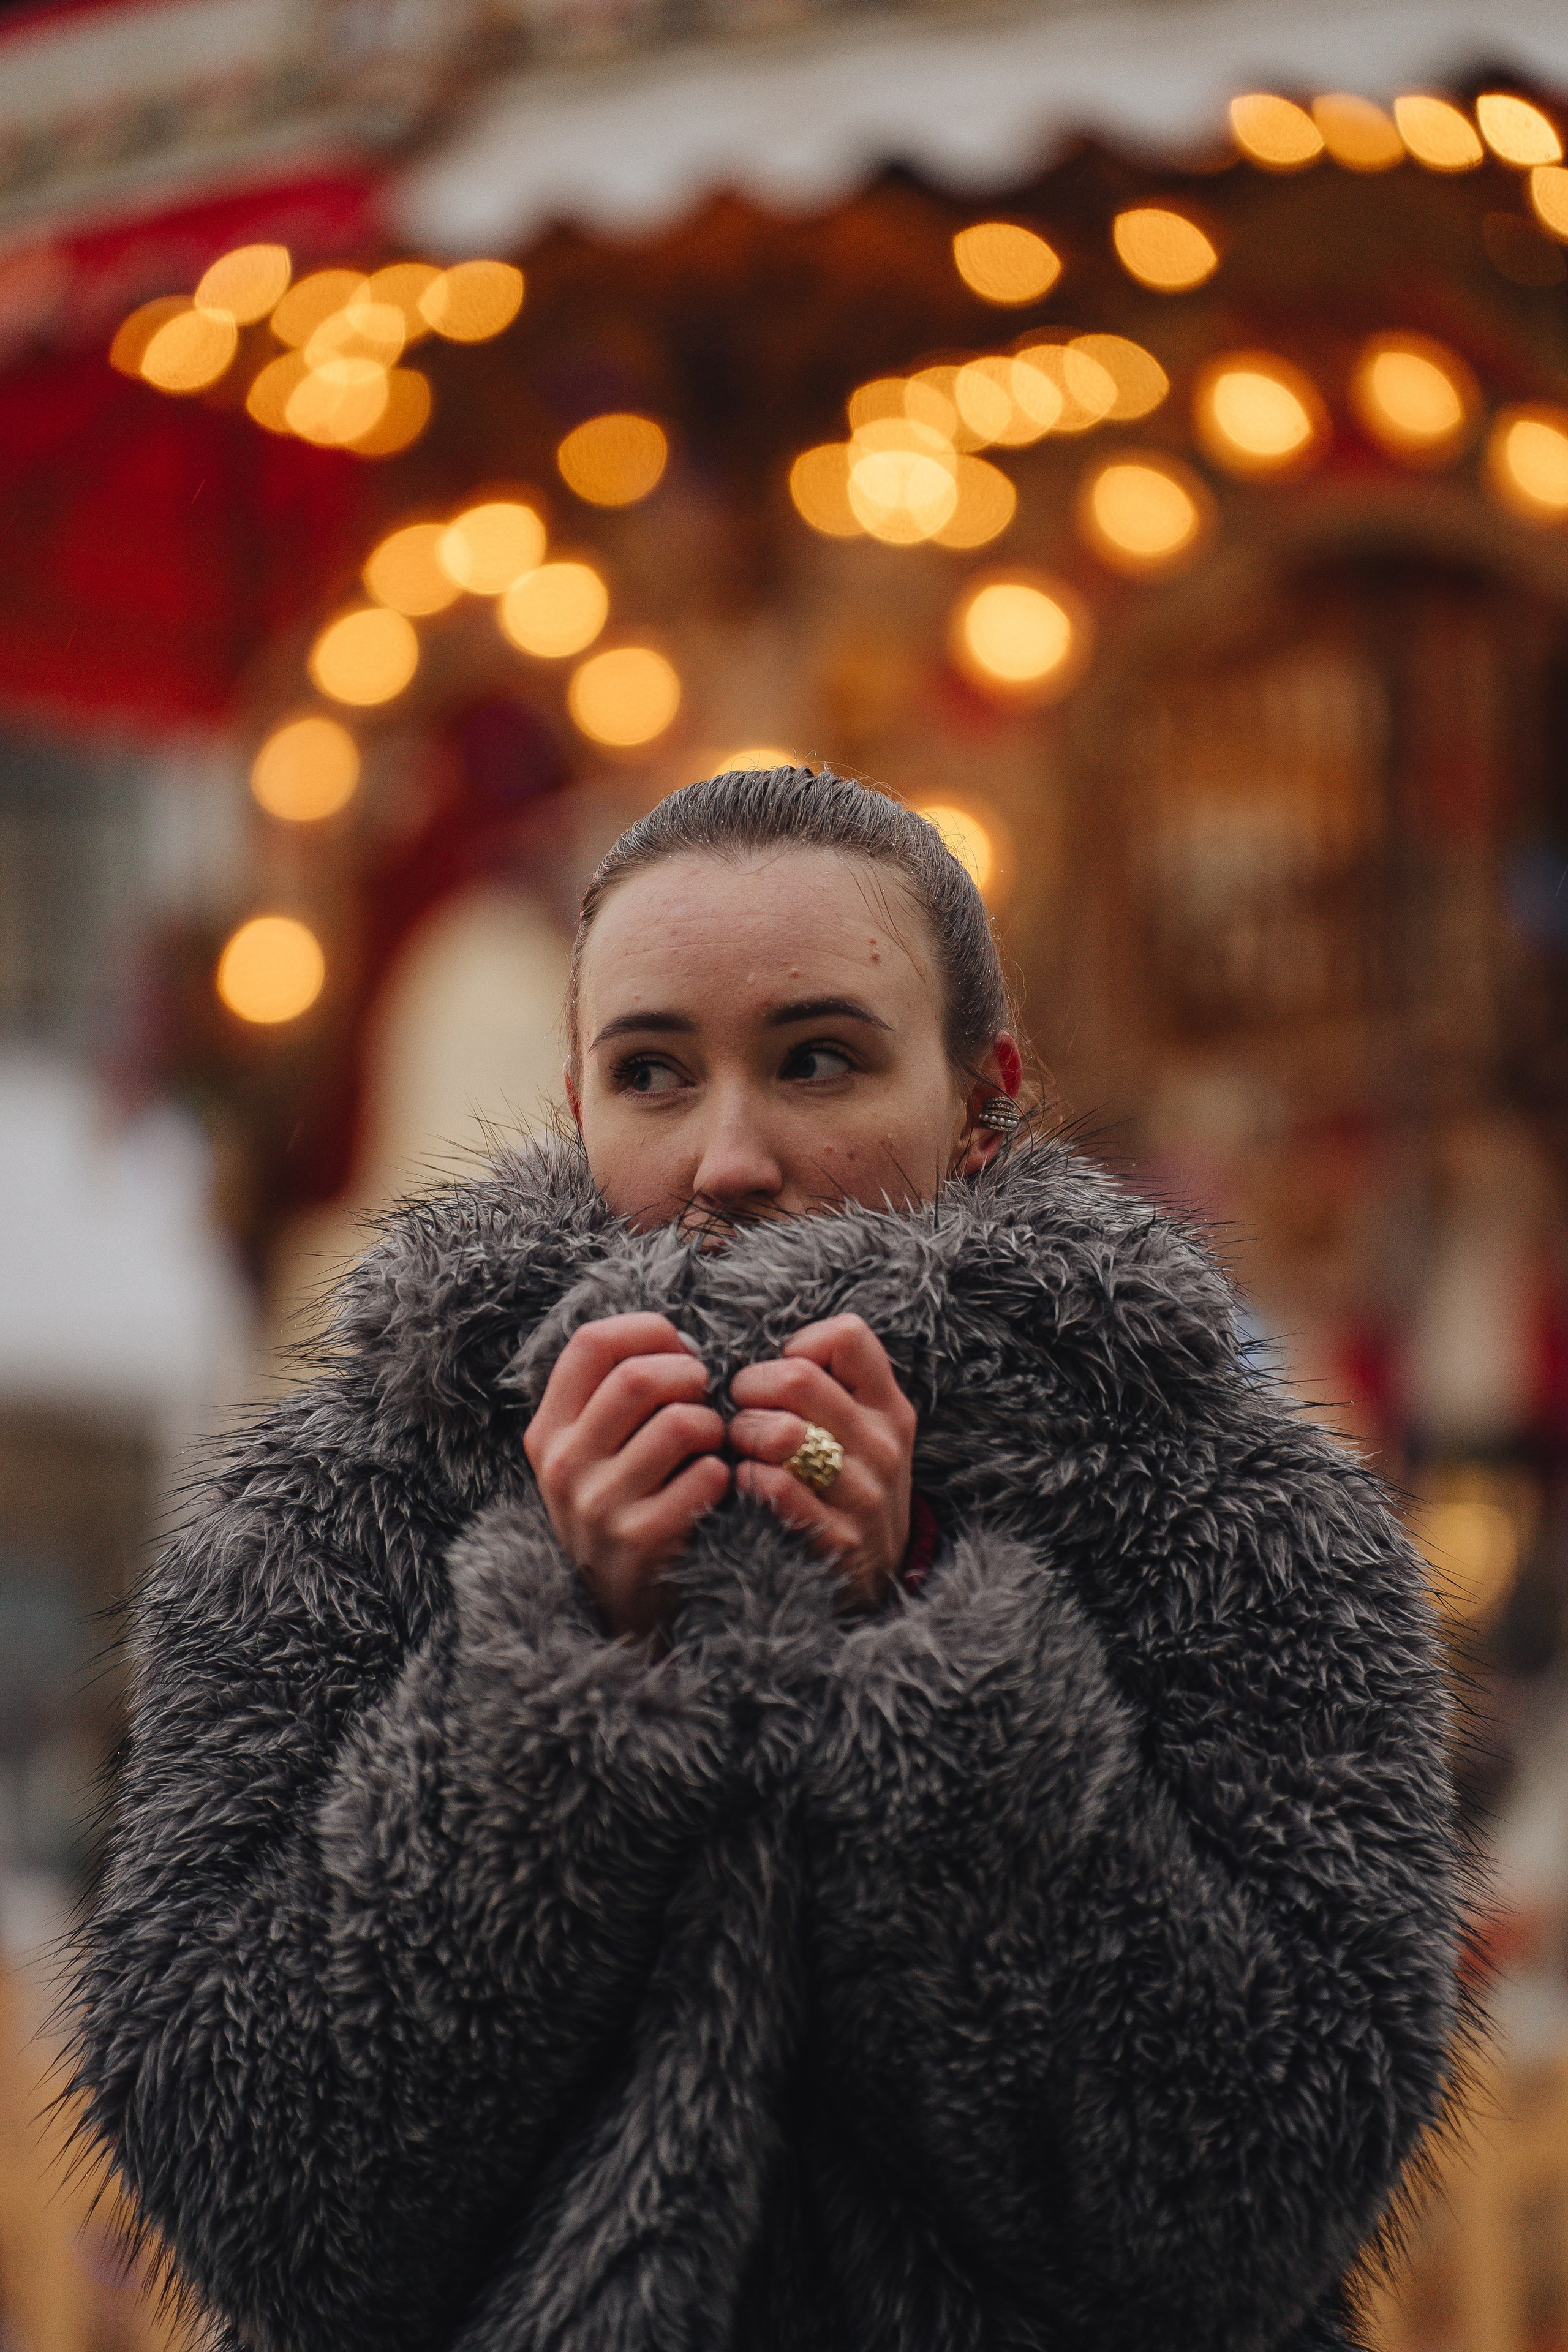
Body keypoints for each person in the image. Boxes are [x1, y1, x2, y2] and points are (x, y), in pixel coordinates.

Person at [70, 767, 1460, 2352]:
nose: (731, 1155)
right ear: (577, 1107)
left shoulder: (1231, 1517)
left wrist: (927, 1646)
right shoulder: (335, 1512)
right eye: (655, 1072)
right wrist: (555, 1680)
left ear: (986, 1099)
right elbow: (263, 2206)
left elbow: (1252, 2204)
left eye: (819, 1060)